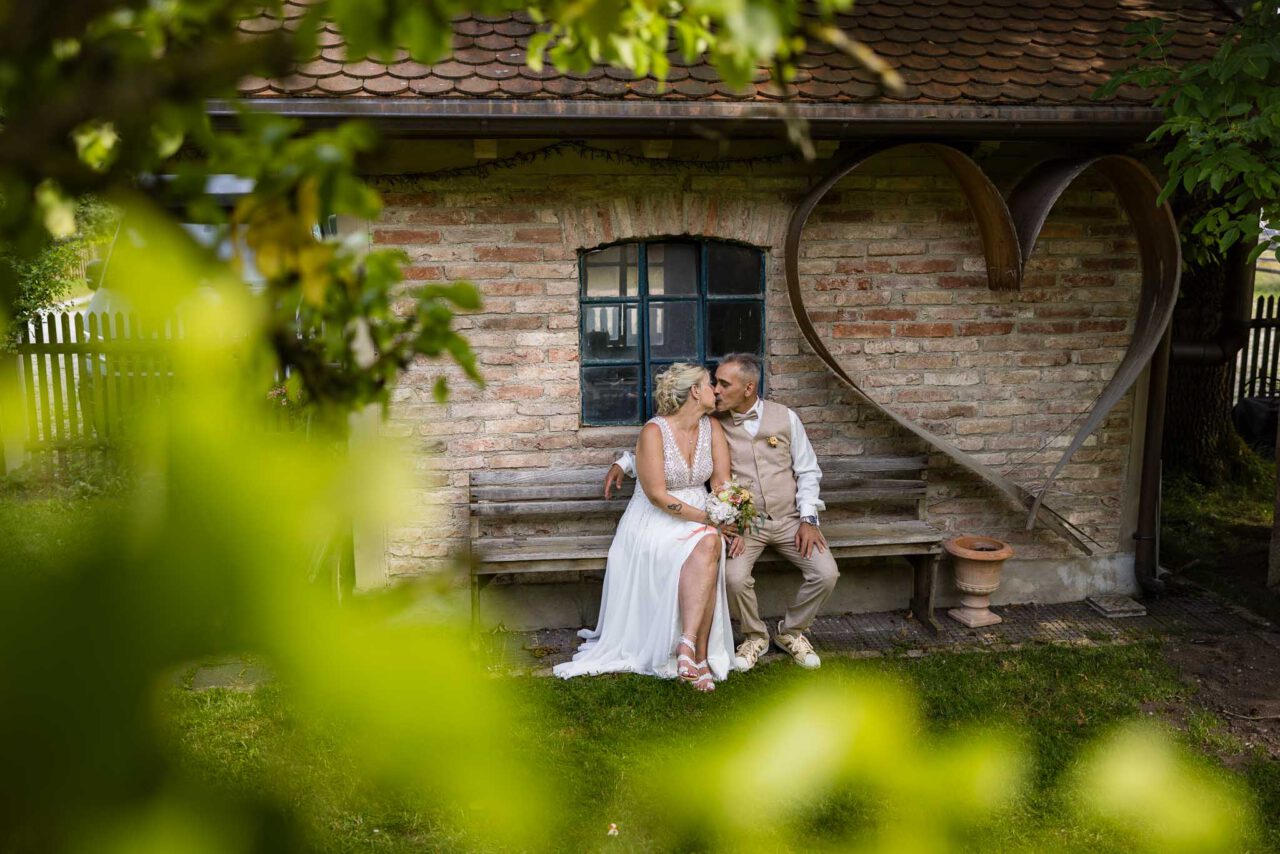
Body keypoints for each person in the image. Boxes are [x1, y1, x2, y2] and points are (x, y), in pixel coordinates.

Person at [605, 353, 837, 671]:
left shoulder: (781, 418)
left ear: (748, 387)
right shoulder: (715, 420)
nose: (715, 389)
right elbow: (661, 446)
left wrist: (808, 519)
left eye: (723, 384)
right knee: (733, 576)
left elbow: (806, 471)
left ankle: (792, 632)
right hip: (742, 522)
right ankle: (753, 637)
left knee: (826, 574)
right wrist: (625, 462)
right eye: (712, 383)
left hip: (788, 519)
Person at [554, 363, 736, 691]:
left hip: (699, 514)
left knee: (711, 543)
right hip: (655, 519)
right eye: (710, 384)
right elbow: (656, 495)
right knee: (709, 539)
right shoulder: (654, 432)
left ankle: (692, 648)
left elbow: (721, 482)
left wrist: (729, 511)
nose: (716, 390)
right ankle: (696, 655)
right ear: (695, 391)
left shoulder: (713, 429)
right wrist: (709, 518)